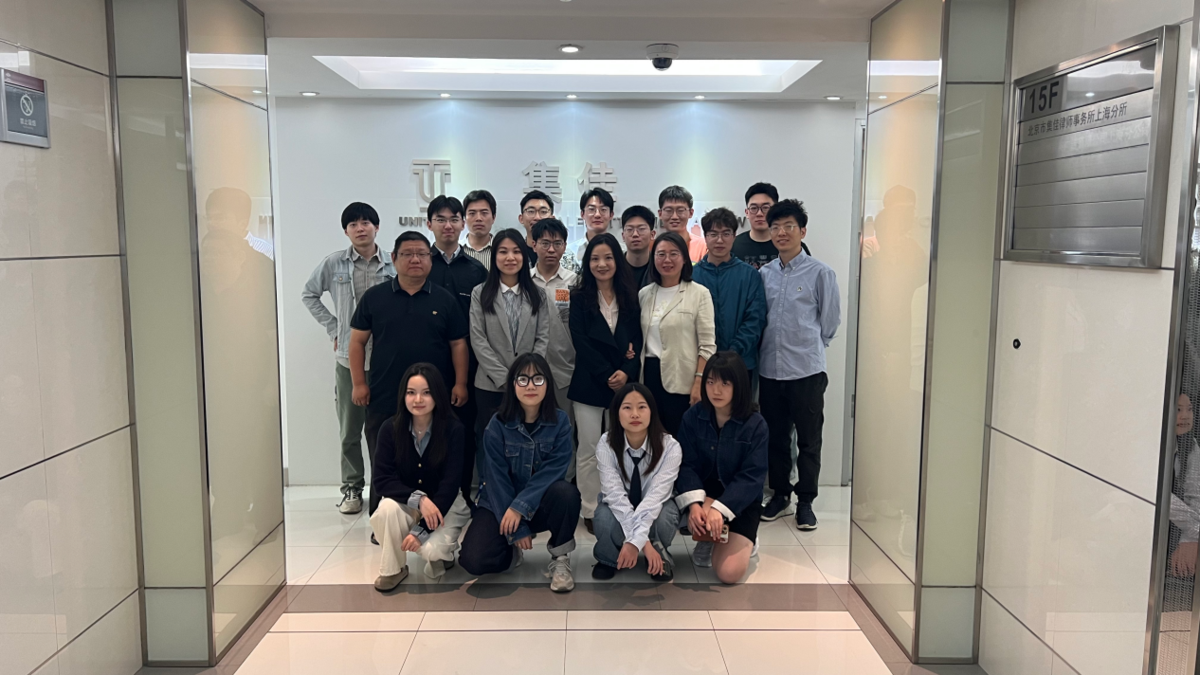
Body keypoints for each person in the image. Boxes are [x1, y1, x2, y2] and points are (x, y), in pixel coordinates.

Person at [349, 231, 470, 516]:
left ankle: (436, 513)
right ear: (394, 258)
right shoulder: (374, 297)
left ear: (430, 259)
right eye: (407, 254)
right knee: (382, 456)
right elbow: (356, 342)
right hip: (385, 393)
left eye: (422, 254)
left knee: (436, 455)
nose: (415, 259)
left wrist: (461, 383)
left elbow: (458, 344)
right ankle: (381, 518)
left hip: (434, 397)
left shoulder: (445, 299)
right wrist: (358, 383)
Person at [301, 202, 396, 515]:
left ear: (376, 227)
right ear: (346, 231)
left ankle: (386, 487)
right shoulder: (334, 263)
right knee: (349, 431)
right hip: (348, 360)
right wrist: (334, 328)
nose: (360, 228)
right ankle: (352, 488)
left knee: (386, 431)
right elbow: (309, 295)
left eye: (366, 222)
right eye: (353, 224)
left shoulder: (392, 263)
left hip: (385, 360)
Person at [458, 354, 581, 592]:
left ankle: (560, 557)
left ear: (548, 384)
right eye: (523, 379)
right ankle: (511, 552)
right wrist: (518, 529)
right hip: (500, 503)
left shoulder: (560, 422)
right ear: (513, 385)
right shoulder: (497, 424)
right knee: (473, 560)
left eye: (538, 379)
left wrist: (520, 509)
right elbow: (495, 479)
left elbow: (552, 472)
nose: (530, 386)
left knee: (566, 493)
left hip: (539, 503)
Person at [757, 200, 841, 529]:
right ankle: (780, 495)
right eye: (776, 227)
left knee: (808, 440)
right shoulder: (764, 274)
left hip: (806, 370)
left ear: (802, 231)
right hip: (770, 370)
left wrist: (811, 347)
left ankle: (806, 501)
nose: (781, 232)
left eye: (788, 226)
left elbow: (830, 323)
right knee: (776, 439)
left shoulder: (821, 272)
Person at [370, 364, 471, 591]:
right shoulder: (390, 429)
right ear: (403, 396)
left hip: (445, 504)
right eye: (411, 392)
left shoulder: (453, 430)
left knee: (432, 551)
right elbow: (382, 480)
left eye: (426, 392)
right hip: (407, 502)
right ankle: (393, 569)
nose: (418, 399)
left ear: (438, 395)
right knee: (386, 509)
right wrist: (420, 500)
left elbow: (450, 486)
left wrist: (421, 531)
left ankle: (444, 555)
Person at [569, 232, 643, 533]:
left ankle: (617, 504)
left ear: (617, 261)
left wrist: (626, 370)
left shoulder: (630, 295)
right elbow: (580, 341)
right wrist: (607, 373)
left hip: (622, 384)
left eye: (608, 258)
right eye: (595, 259)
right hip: (589, 382)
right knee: (588, 448)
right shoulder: (579, 297)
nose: (602, 264)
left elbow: (637, 338)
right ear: (588, 263)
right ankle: (589, 507)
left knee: (619, 446)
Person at [674, 351, 768, 583]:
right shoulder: (693, 417)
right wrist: (694, 504)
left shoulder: (755, 424)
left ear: (739, 386)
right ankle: (710, 538)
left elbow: (752, 477)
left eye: (725, 383)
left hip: (740, 501)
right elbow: (685, 465)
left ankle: (743, 537)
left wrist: (720, 508)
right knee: (696, 510)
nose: (716, 390)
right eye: (710, 382)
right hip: (705, 495)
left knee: (729, 573)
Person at [425, 194, 488, 500]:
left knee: (464, 432)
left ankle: (462, 495)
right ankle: (430, 498)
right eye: (441, 219)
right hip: (427, 365)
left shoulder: (476, 271)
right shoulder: (420, 266)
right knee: (427, 431)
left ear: (463, 224)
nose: (447, 225)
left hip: (469, 368)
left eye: (453, 219)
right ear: (429, 224)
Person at [591, 383, 682, 581]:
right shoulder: (606, 443)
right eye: (627, 407)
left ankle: (659, 555)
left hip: (654, 505)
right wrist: (642, 544)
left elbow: (655, 498)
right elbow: (614, 496)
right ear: (616, 413)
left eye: (642, 407)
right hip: (620, 505)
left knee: (666, 514)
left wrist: (634, 541)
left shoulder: (670, 447)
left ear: (652, 411)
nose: (635, 414)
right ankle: (608, 558)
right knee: (604, 516)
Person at [470, 228, 551, 450]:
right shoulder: (480, 293)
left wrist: (526, 377)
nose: (510, 257)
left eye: (516, 251)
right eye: (503, 252)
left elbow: (542, 338)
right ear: (494, 256)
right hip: (489, 385)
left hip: (529, 386)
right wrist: (506, 379)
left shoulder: (538, 294)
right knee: (490, 446)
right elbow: (478, 340)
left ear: (524, 256)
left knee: (524, 446)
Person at [639, 232, 716, 435]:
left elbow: (707, 344)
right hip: (648, 376)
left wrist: (699, 381)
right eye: (661, 254)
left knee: (680, 438)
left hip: (683, 377)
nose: (667, 260)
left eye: (674, 254)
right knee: (653, 437)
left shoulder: (699, 294)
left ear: (684, 258)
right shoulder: (644, 294)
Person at [693, 207, 768, 384]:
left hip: (741, 363)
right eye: (713, 234)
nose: (719, 240)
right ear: (705, 237)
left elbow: (755, 319)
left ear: (734, 236)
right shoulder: (692, 275)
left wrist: (733, 353)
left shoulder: (750, 275)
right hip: (701, 364)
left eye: (726, 233)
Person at [529, 218, 578, 453]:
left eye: (557, 244)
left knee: (565, 431)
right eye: (545, 243)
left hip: (565, 369)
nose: (551, 249)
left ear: (565, 246)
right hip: (531, 369)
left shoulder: (574, 282)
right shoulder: (524, 282)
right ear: (533, 244)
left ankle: (566, 475)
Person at [519, 189, 579, 274]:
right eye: (531, 211)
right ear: (521, 218)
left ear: (552, 218)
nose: (537, 217)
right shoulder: (515, 254)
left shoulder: (568, 258)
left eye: (543, 212)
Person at [658, 185, 705, 262]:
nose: (674, 217)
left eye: (680, 210)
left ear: (691, 213)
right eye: (669, 210)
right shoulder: (654, 248)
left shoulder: (703, 247)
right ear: (660, 214)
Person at [575, 187, 617, 262]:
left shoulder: (621, 251)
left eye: (603, 209)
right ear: (582, 214)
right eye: (591, 209)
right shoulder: (571, 252)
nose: (597, 215)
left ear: (611, 215)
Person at [621, 205, 656, 290]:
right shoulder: (615, 267)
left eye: (641, 229)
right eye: (630, 229)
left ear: (652, 234)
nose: (635, 234)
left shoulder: (659, 267)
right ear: (623, 236)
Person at [462, 189, 497, 269]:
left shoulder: (501, 250)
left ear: (493, 218)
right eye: (472, 213)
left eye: (484, 213)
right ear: (465, 218)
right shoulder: (455, 251)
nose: (478, 218)